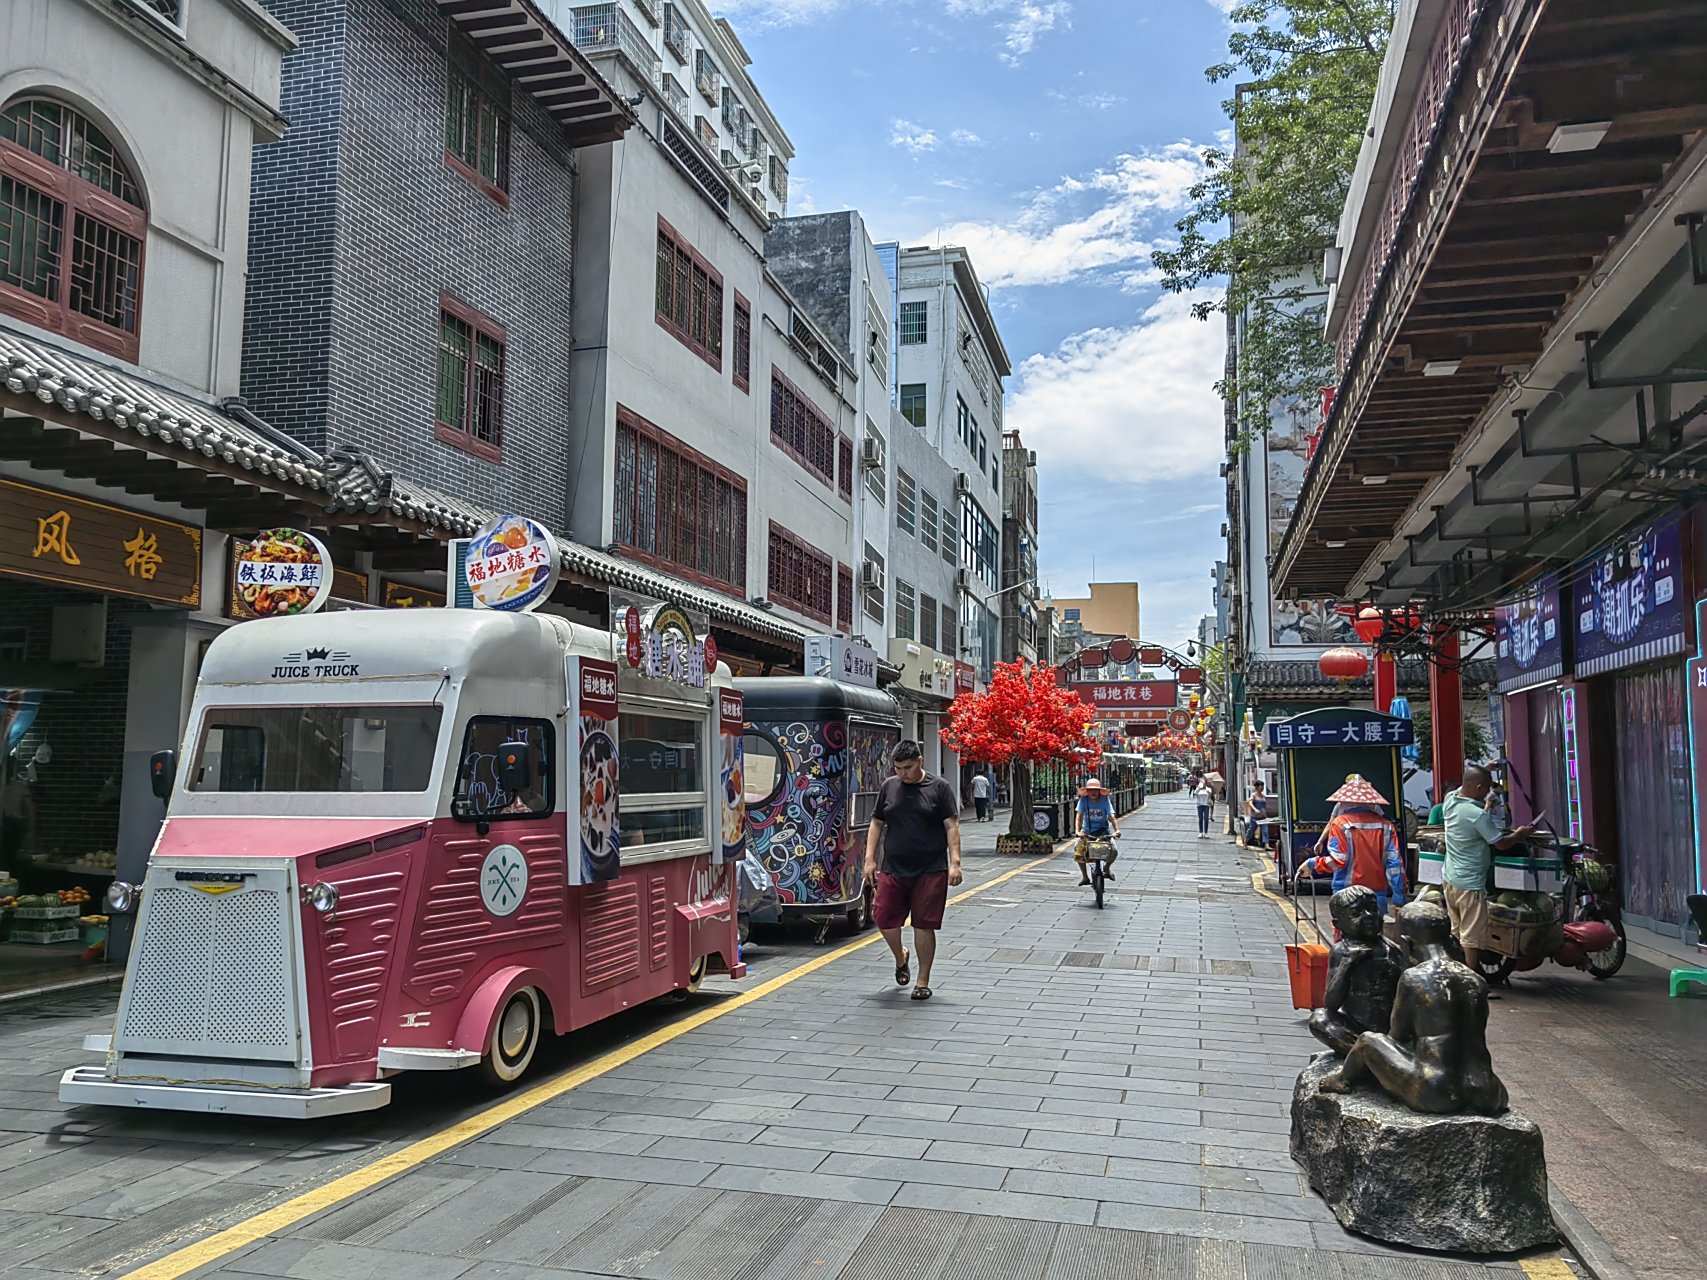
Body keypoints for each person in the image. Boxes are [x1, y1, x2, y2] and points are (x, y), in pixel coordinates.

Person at [1319, 901, 1508, 1115]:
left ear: (1407, 943)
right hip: (1488, 1092)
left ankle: (1341, 1080)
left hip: (1436, 1091)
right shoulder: (1476, 980)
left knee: (1368, 1041)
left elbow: (1397, 1037)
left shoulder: (1414, 978)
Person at [865, 740, 962, 1002]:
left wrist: (955, 862)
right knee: (883, 918)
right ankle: (901, 957)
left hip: (930, 868)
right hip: (893, 867)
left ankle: (922, 981)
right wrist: (869, 859)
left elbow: (952, 826)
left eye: (907, 768)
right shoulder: (889, 786)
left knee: (923, 924)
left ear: (920, 761)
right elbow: (876, 823)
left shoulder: (939, 788)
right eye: (897, 768)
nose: (902, 773)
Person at [1441, 763, 1536, 988]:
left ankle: (1456, 976)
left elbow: (1469, 780)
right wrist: (1519, 834)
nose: (1488, 794)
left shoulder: (1450, 801)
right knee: (1471, 937)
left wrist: (1485, 768)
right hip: (1470, 884)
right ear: (1478, 788)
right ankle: (1473, 983)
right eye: (1486, 788)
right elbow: (1501, 843)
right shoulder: (1477, 815)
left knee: (1457, 931)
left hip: (1450, 879)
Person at [1298, 774, 1408, 916]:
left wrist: (1312, 863)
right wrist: (1399, 899)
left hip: (1346, 894)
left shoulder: (1340, 824)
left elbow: (1338, 861)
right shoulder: (1386, 826)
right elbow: (1395, 865)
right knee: (1375, 928)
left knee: (1345, 929)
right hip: (1376, 894)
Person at [1073, 776, 1120, 885]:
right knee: (1078, 851)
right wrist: (1077, 831)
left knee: (1113, 851)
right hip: (1087, 832)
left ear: (1099, 791)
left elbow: (1111, 816)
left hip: (1103, 831)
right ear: (1087, 791)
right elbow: (1079, 816)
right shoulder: (1083, 800)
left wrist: (1117, 830)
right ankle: (1085, 877)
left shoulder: (1105, 799)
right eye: (1090, 790)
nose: (1093, 792)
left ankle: (1106, 868)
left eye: (1095, 790)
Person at [1242, 781, 1269, 846]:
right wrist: (1255, 810)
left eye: (1263, 786)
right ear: (1257, 787)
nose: (1262, 788)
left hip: (1263, 817)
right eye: (1261, 786)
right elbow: (1250, 803)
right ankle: (1245, 842)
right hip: (1255, 817)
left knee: (1265, 831)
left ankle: (1267, 845)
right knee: (1251, 830)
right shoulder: (1253, 795)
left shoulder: (1263, 796)